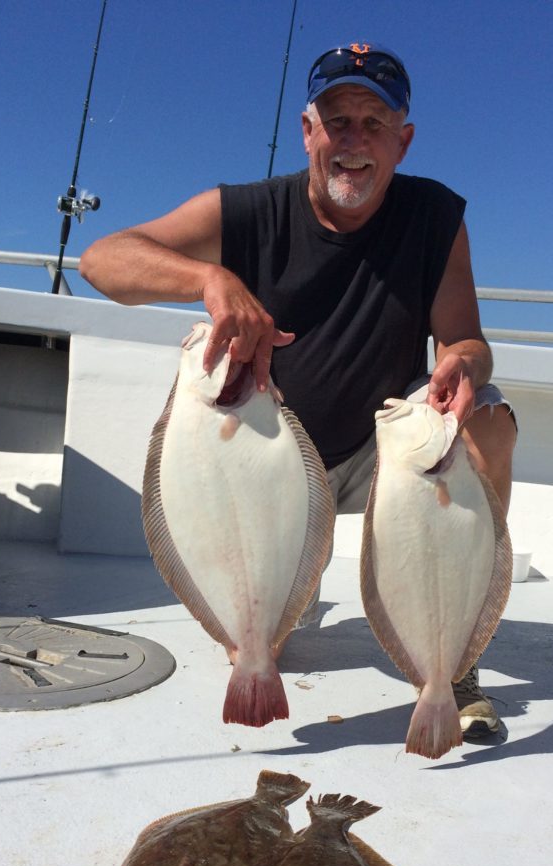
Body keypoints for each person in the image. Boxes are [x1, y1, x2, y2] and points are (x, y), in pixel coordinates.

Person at [80, 41, 517, 737]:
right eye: (337, 121)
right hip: (272, 466)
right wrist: (210, 279)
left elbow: (468, 341)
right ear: (309, 132)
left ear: (402, 141)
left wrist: (464, 362)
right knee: (258, 642)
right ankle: (265, 622)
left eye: (374, 124)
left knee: (488, 420)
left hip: (387, 457)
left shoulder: (434, 217)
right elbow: (102, 261)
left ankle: (453, 659)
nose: (354, 142)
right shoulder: (249, 212)